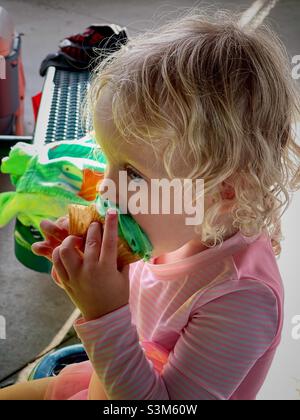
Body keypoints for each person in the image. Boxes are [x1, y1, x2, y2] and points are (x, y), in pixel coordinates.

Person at [1, 7, 300, 400]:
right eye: (108, 159)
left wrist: (103, 312)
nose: (106, 187)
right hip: (109, 375)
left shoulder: (241, 300)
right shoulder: (172, 228)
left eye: (133, 173)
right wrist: (86, 273)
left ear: (224, 192)